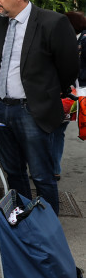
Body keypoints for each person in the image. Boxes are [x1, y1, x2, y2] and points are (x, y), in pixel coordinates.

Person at [0, 0, 79, 215]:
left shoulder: (52, 21)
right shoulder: (2, 24)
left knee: (41, 174)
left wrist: (47, 95)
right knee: (13, 172)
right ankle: (21, 220)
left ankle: (46, 227)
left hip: (33, 110)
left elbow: (68, 66)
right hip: (3, 109)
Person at [52, 11, 86, 180]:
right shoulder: (77, 40)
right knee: (58, 132)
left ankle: (50, 168)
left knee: (53, 130)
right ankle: (54, 168)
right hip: (72, 94)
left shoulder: (77, 42)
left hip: (66, 94)